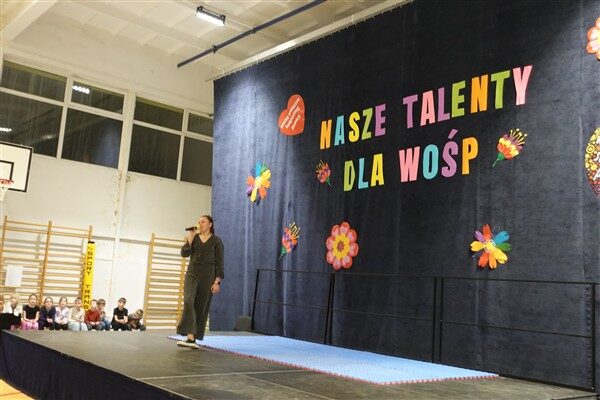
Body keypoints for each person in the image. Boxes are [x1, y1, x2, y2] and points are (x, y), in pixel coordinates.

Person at [176, 215, 224, 349]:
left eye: (203, 222)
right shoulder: (194, 238)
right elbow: (184, 253)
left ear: (210, 224)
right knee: (188, 301)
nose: (200, 224)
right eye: (199, 222)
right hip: (192, 273)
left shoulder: (216, 241)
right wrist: (190, 237)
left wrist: (217, 282)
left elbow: (219, 263)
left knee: (201, 307)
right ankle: (190, 337)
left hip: (208, 276)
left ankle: (192, 338)